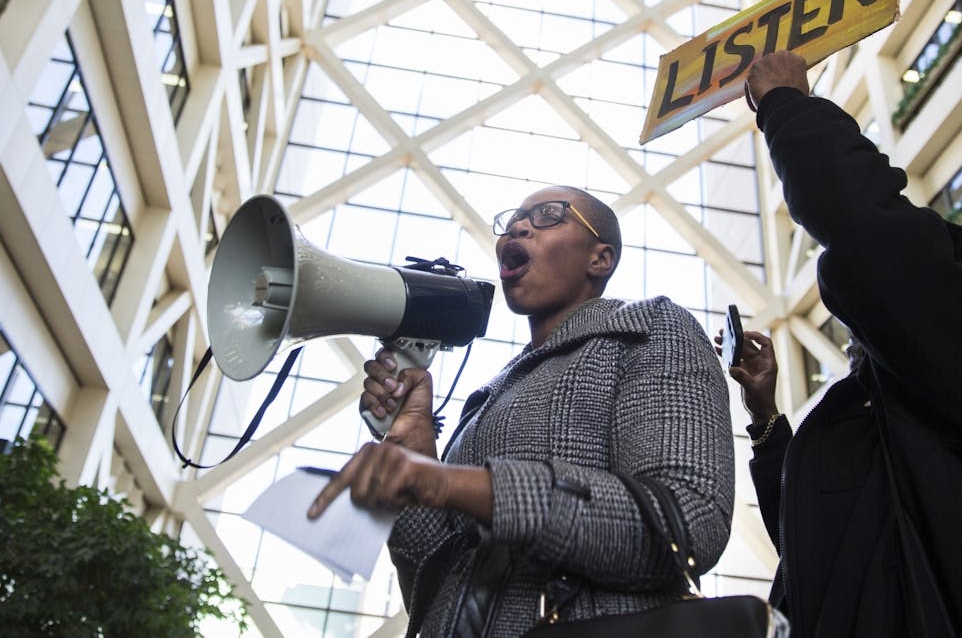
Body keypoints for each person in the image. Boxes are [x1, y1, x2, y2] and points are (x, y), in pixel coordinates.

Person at [727, 51, 962, 636]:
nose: (872, 326)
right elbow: (815, 545)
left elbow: (869, 230)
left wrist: (785, 105)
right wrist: (766, 419)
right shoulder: (914, 423)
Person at [308, 185, 736, 637]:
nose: (517, 225)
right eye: (513, 218)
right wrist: (415, 445)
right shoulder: (490, 396)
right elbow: (431, 584)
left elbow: (689, 522)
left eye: (549, 215)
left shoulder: (648, 329)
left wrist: (451, 483)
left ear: (600, 259)